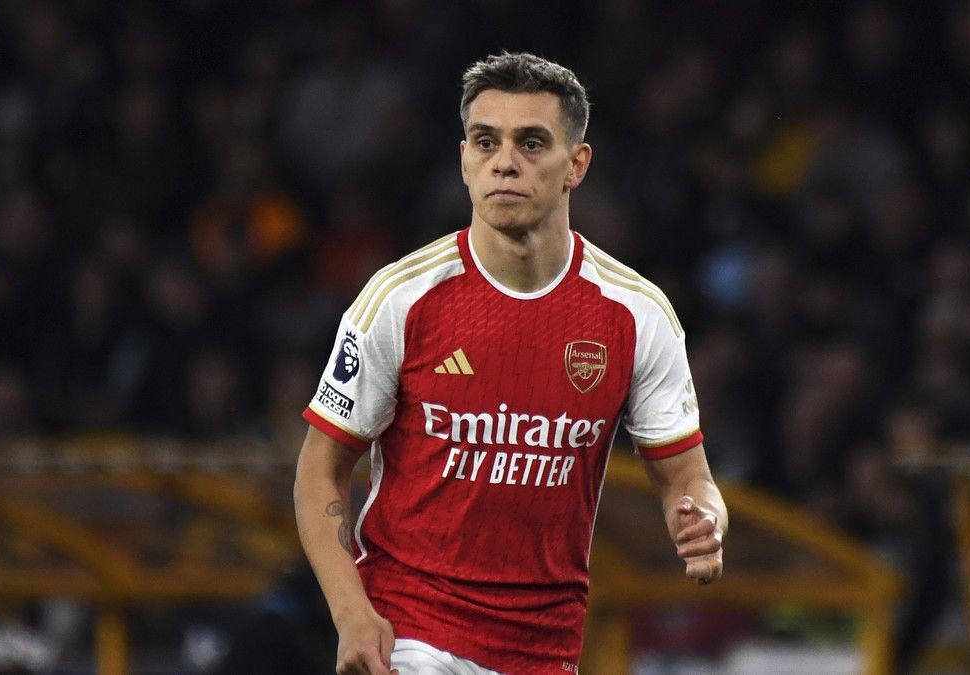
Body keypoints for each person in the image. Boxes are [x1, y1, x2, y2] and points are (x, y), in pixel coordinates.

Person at [294, 52, 727, 675]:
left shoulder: (637, 315)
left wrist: (704, 520)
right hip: (411, 633)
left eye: (531, 143)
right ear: (464, 160)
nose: (504, 161)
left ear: (576, 164)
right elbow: (319, 468)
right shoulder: (400, 299)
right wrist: (351, 614)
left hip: (546, 649)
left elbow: (687, 476)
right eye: (485, 141)